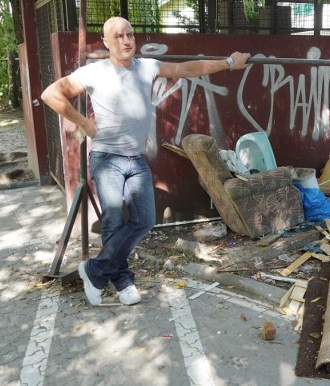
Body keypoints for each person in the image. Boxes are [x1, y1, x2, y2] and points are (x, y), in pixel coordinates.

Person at [41, 16, 250, 306]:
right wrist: (82, 123)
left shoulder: (147, 67)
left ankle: (95, 271)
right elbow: (51, 93)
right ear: (105, 42)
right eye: (118, 36)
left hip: (135, 159)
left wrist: (228, 63)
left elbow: (186, 68)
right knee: (113, 221)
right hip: (107, 158)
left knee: (145, 220)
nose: (126, 40)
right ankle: (123, 280)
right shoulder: (94, 72)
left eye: (130, 34)